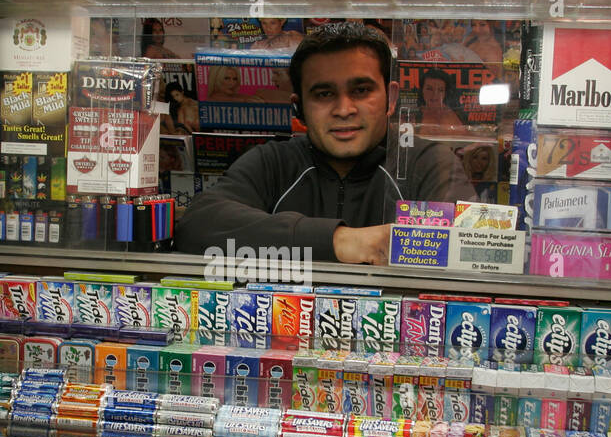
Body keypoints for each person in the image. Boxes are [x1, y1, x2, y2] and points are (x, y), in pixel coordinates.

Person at [175, 22, 477, 265]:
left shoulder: (428, 163)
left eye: (361, 90)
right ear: (299, 108)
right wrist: (342, 241)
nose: (344, 109)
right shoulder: (273, 163)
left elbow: (469, 249)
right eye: (323, 94)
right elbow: (197, 226)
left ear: (391, 98)